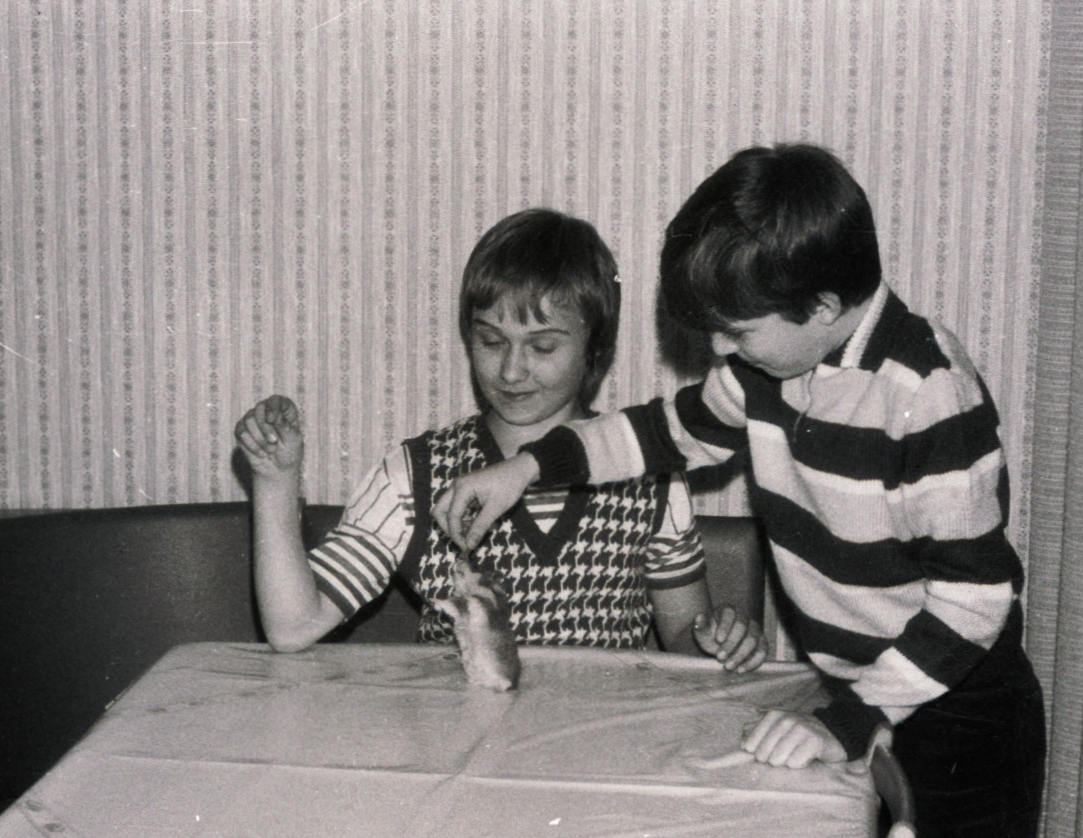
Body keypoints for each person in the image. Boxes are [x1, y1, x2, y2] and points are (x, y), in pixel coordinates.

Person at [434, 146, 1046, 838]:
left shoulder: (926, 388)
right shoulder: (769, 368)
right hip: (862, 703)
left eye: (737, 327)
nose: (722, 348)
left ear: (822, 303)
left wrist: (850, 720)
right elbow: (655, 430)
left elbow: (978, 599)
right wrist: (524, 471)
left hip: (958, 715)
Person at [235, 207, 764, 666]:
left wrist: (717, 641)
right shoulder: (415, 475)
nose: (511, 372)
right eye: (491, 340)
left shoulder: (649, 475)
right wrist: (276, 481)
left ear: (595, 352)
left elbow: (683, 638)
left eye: (543, 347)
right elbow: (292, 627)